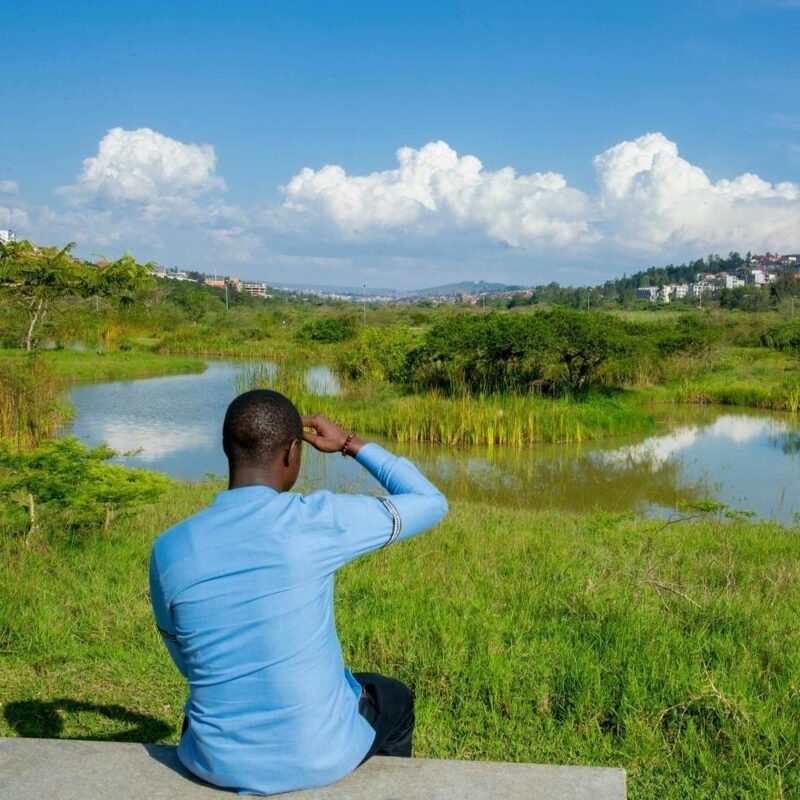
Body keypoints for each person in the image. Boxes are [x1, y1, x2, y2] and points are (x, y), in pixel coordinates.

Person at [149, 389, 448, 796]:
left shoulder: (170, 547)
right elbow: (430, 502)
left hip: (213, 760)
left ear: (226, 450)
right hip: (318, 756)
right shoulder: (316, 522)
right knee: (393, 697)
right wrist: (349, 443)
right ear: (292, 452)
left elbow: (186, 659)